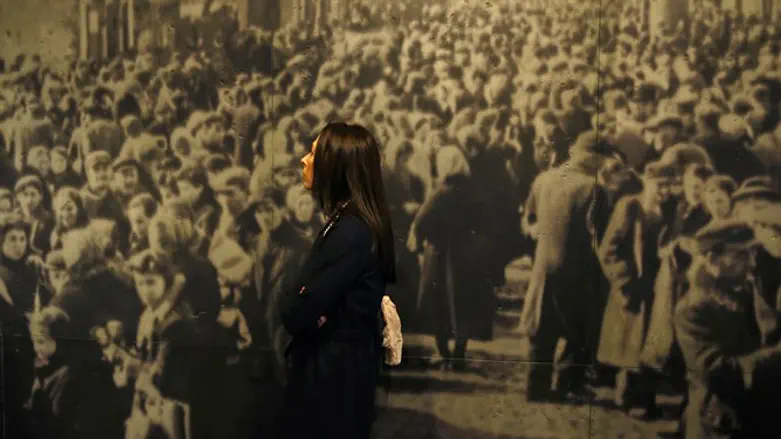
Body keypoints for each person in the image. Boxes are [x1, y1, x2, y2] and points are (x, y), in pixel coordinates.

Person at [277, 122, 396, 439]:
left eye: (314, 153)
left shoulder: (350, 231)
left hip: (332, 377)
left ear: (336, 167)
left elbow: (298, 312)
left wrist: (302, 304)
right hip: (337, 370)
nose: (304, 160)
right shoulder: (351, 224)